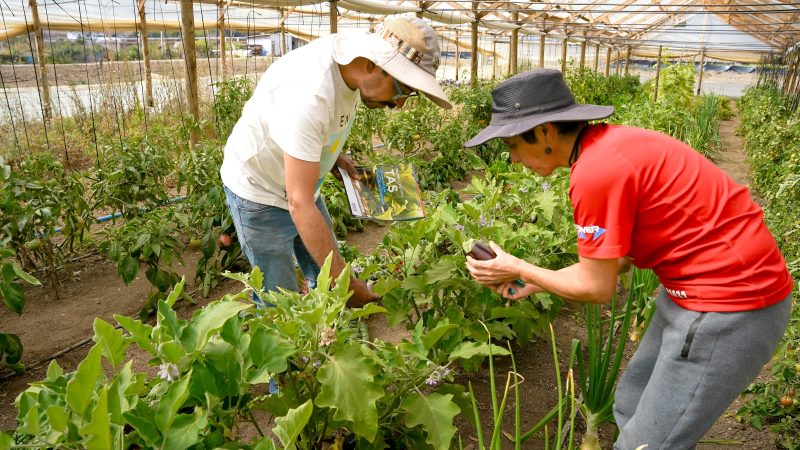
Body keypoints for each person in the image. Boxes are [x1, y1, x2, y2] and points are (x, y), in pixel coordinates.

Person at [464, 68, 793, 449]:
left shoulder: (595, 172)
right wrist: (535, 280)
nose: (513, 158)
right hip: (694, 291)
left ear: (544, 132)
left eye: (512, 144)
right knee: (631, 400)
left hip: (728, 307)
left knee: (648, 442)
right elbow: (615, 261)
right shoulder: (609, 146)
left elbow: (596, 288)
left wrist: (518, 267)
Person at [220, 16, 451, 307]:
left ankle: (326, 332)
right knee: (280, 301)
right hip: (260, 191)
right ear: (373, 64)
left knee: (323, 263)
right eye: (402, 89)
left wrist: (332, 158)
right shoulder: (309, 93)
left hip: (299, 185)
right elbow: (299, 203)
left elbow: (310, 134)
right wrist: (349, 285)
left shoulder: (349, 70)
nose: (400, 103)